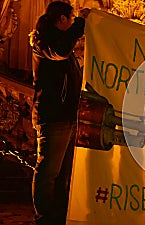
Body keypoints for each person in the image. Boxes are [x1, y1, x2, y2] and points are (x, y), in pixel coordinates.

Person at [29, 2, 90, 224]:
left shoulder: (58, 41)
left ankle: (60, 215)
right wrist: (82, 23)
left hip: (67, 115)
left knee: (63, 174)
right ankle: (45, 218)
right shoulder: (44, 41)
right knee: (48, 172)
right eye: (72, 19)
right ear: (62, 19)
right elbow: (62, 51)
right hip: (53, 116)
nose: (73, 23)